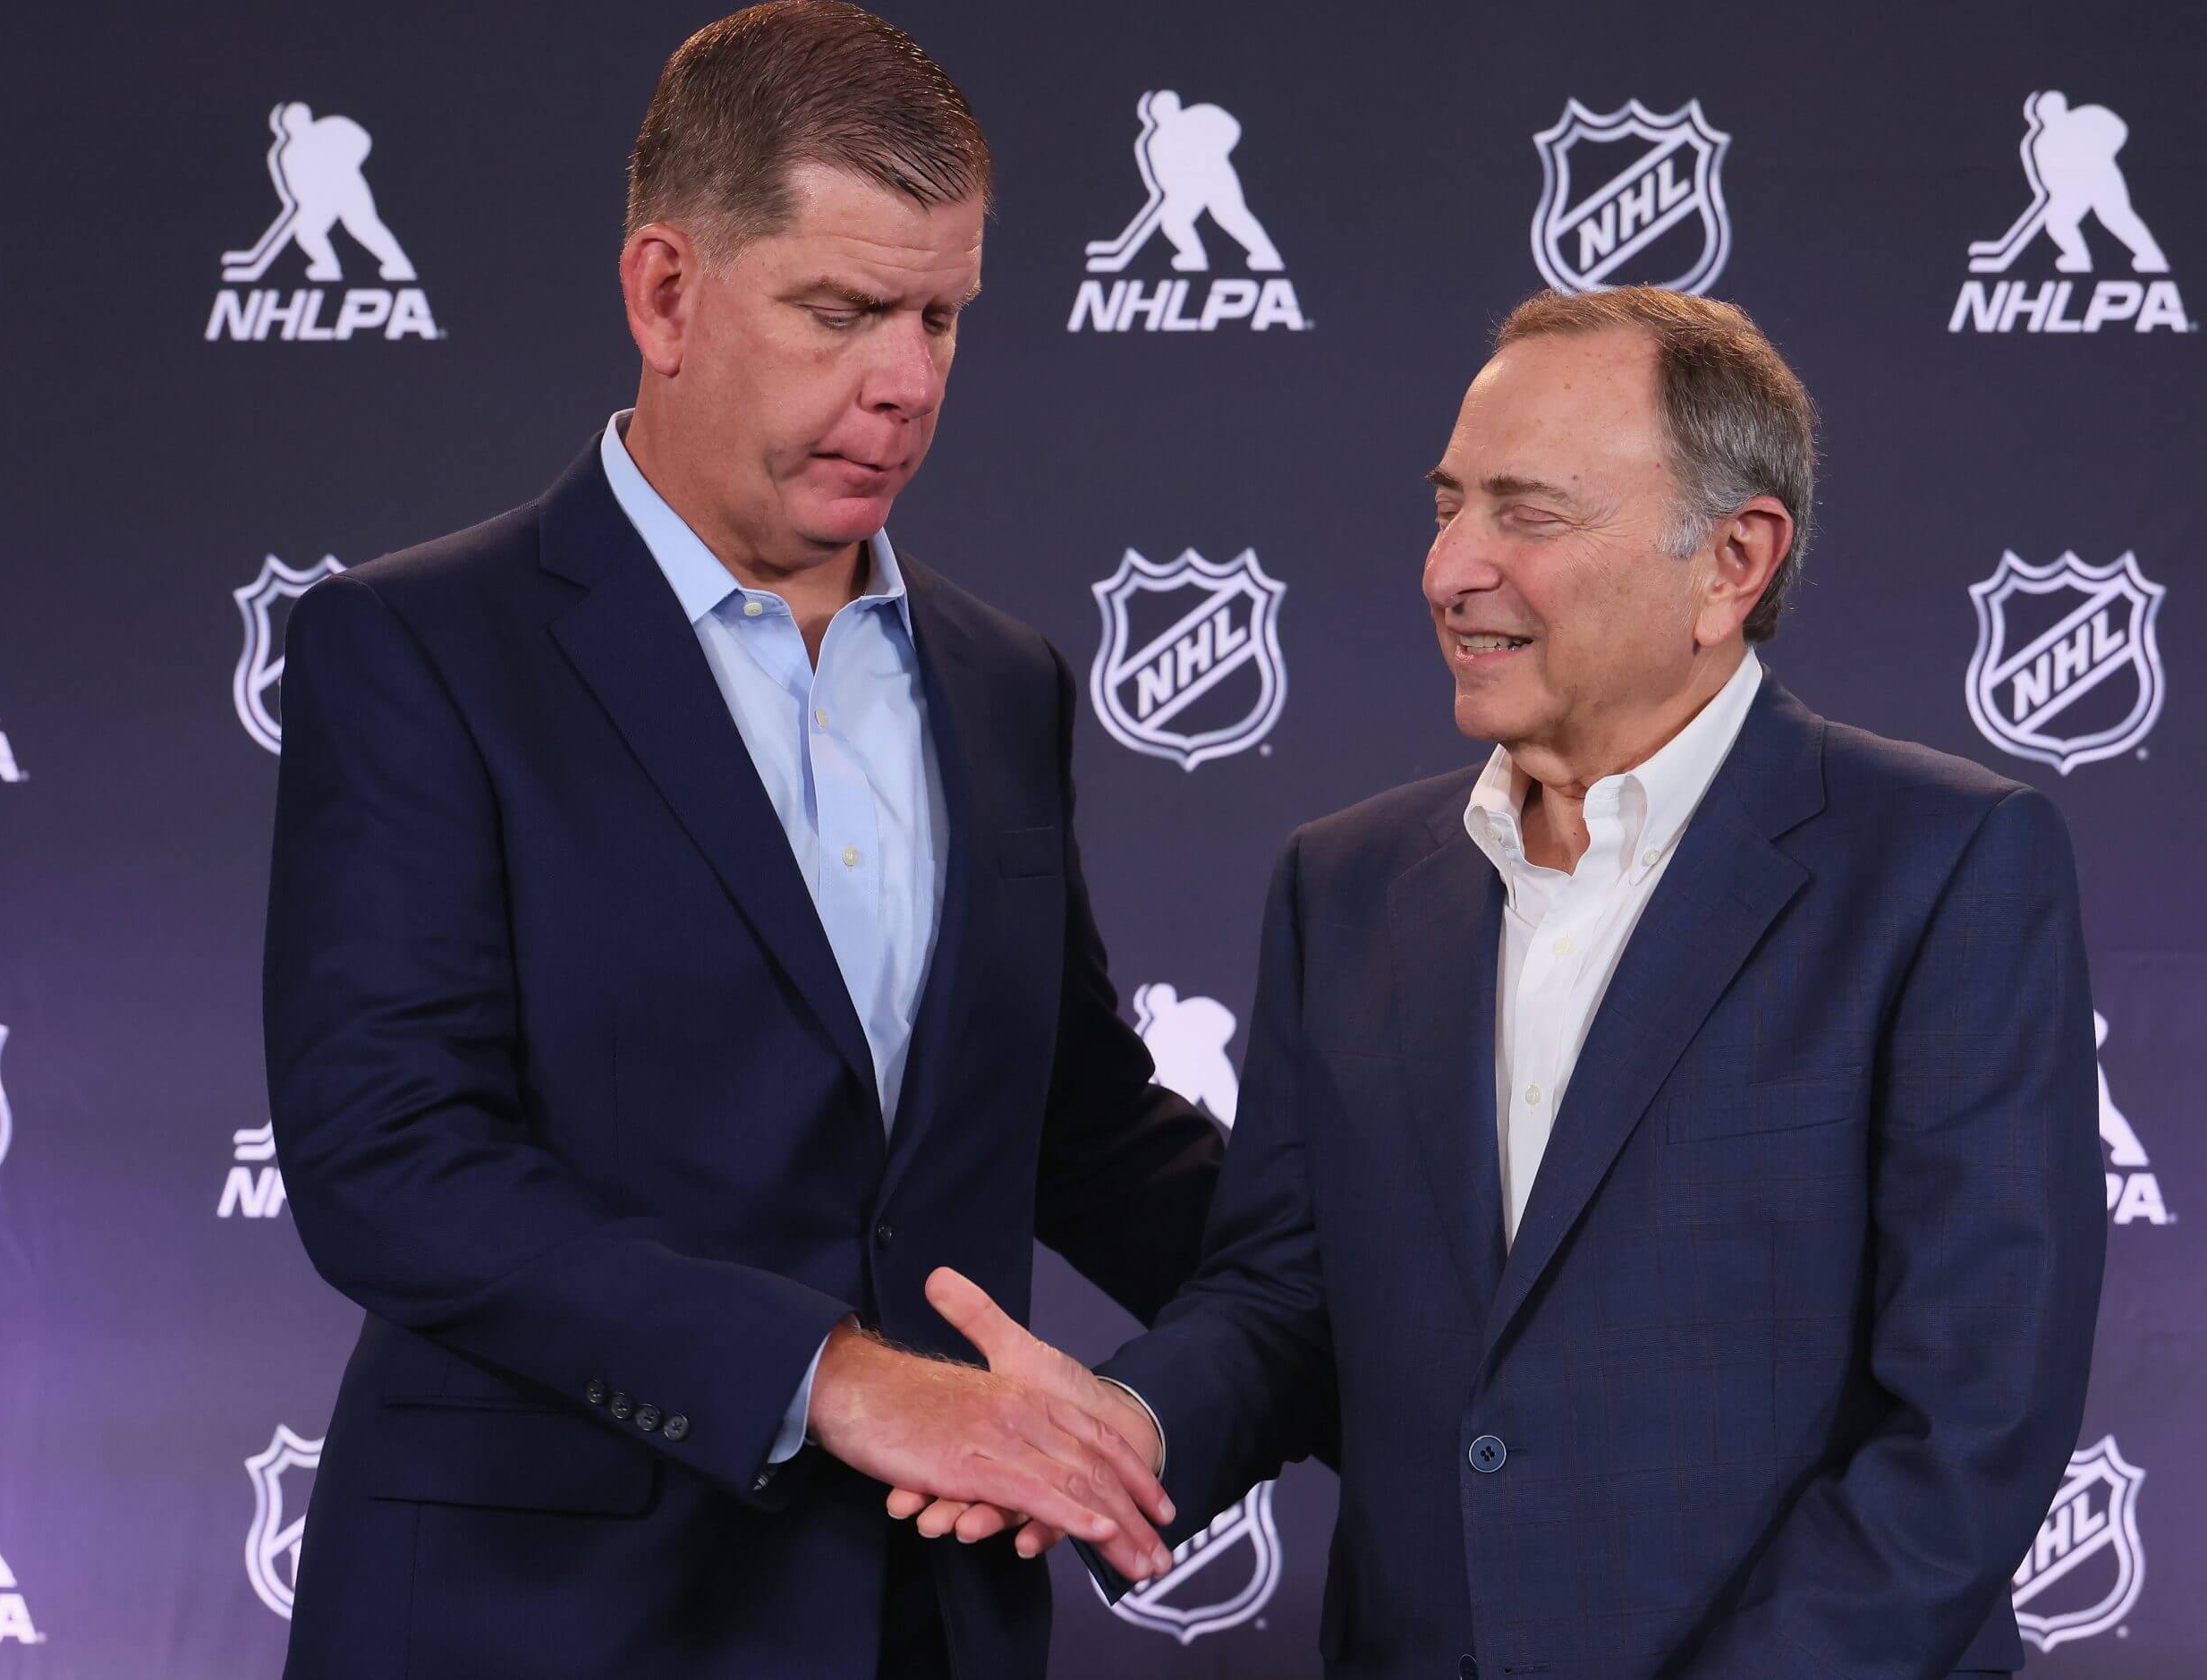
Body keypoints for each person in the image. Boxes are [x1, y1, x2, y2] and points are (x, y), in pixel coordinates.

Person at [896, 286, 2107, 1678]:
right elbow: (1288, 1298)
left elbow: (1971, 1423)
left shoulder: (1944, 864)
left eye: (1527, 514)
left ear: (1732, 560)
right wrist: (1129, 1425)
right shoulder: (1343, 884)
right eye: (1447, 506)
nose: (1449, 568)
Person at [260, 5, 1210, 1676]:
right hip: (536, 1627)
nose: (905, 381)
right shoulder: (419, 649)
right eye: (840, 311)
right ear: (665, 294)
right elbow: (393, 1162)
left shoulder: (1006, 681)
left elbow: (1079, 1125)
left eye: (940, 316)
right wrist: (837, 1377)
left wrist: (1421, 1290)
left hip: (925, 1629)